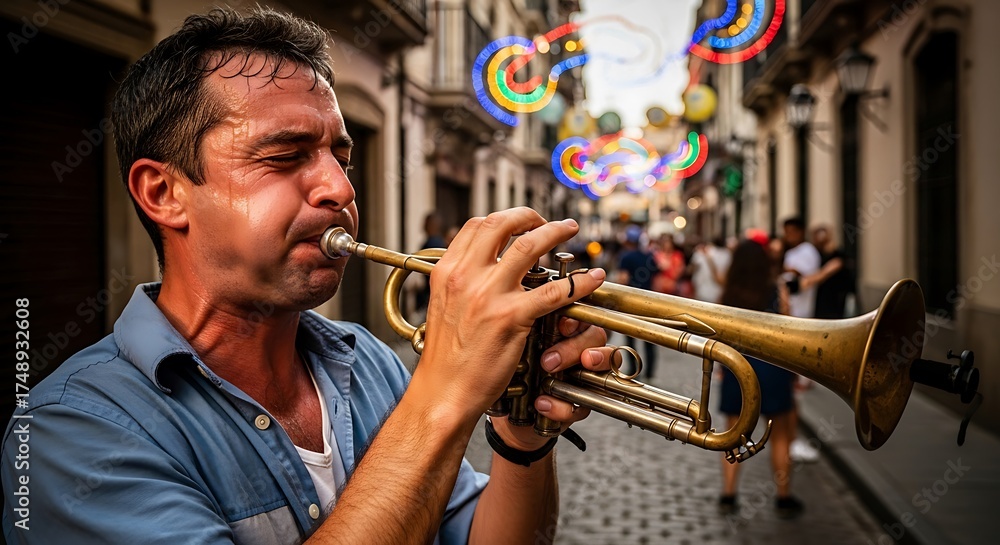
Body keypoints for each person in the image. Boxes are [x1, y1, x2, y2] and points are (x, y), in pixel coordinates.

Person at [1, 9, 616, 544]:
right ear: (164, 194)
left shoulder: (370, 362)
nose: (341, 189)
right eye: (284, 156)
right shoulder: (70, 432)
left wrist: (522, 436)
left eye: (342, 158)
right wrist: (445, 392)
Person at [717, 239, 803, 519]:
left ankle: (728, 494)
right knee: (780, 436)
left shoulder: (729, 293)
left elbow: (719, 336)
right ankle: (783, 497)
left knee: (733, 436)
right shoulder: (776, 288)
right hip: (773, 368)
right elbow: (789, 329)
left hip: (738, 369)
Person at [780, 217, 822, 464]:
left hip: (801, 314)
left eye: (792, 232)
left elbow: (801, 280)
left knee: (796, 382)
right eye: (786, 232)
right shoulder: (792, 252)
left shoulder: (807, 252)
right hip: (791, 315)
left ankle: (791, 441)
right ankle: (790, 441)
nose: (788, 236)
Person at [616, 225, 659, 379]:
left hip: (630, 301)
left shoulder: (625, 257)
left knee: (630, 337)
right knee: (650, 337)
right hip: (649, 301)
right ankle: (650, 372)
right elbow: (656, 277)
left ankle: (634, 369)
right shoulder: (649, 256)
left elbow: (623, 279)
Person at [803, 225, 853, 319]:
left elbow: (826, 271)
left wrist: (808, 280)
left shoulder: (838, 255)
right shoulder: (817, 255)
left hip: (836, 300)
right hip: (821, 302)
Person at [689, 236, 731, 304]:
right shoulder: (727, 255)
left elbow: (691, 269)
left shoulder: (700, 252)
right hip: (717, 295)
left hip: (701, 292)